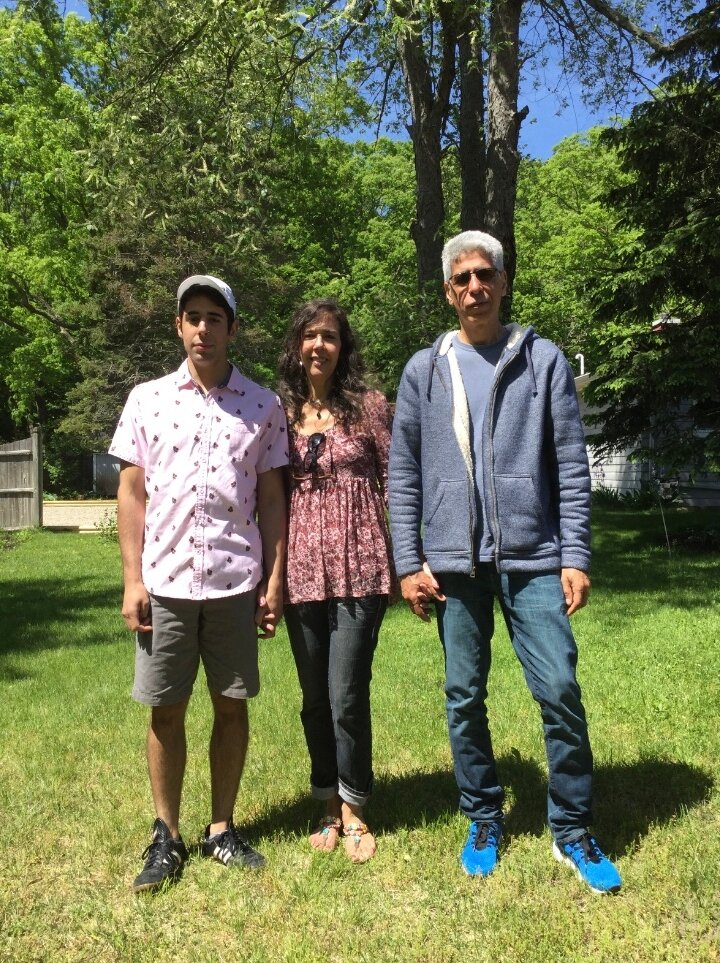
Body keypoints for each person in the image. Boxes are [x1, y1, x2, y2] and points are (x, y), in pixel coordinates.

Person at [388, 231, 622, 894]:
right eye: (462, 278)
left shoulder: (541, 360)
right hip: (454, 564)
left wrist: (574, 554)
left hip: (534, 557)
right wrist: (408, 560)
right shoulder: (425, 370)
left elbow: (570, 465)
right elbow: (403, 473)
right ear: (448, 292)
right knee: (464, 696)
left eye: (485, 274)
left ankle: (571, 827)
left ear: (503, 281)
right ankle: (483, 816)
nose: (475, 288)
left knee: (560, 689)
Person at [109, 274, 288, 893]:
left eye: (215, 317)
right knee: (166, 710)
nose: (203, 328)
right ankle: (166, 834)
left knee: (231, 706)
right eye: (193, 317)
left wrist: (274, 580)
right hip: (166, 582)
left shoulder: (263, 406)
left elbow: (272, 498)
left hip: (236, 582)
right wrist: (132, 580)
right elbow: (131, 493)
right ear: (178, 326)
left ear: (232, 328)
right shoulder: (147, 400)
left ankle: (220, 828)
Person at [278, 298, 393, 863]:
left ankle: (354, 807)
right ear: (296, 346)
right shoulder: (281, 414)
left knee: (346, 693)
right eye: (309, 335)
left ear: (342, 346)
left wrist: (412, 560)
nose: (318, 345)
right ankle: (326, 799)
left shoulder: (369, 407)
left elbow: (397, 480)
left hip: (361, 566)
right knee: (314, 698)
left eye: (328, 336)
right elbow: (267, 496)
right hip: (301, 571)